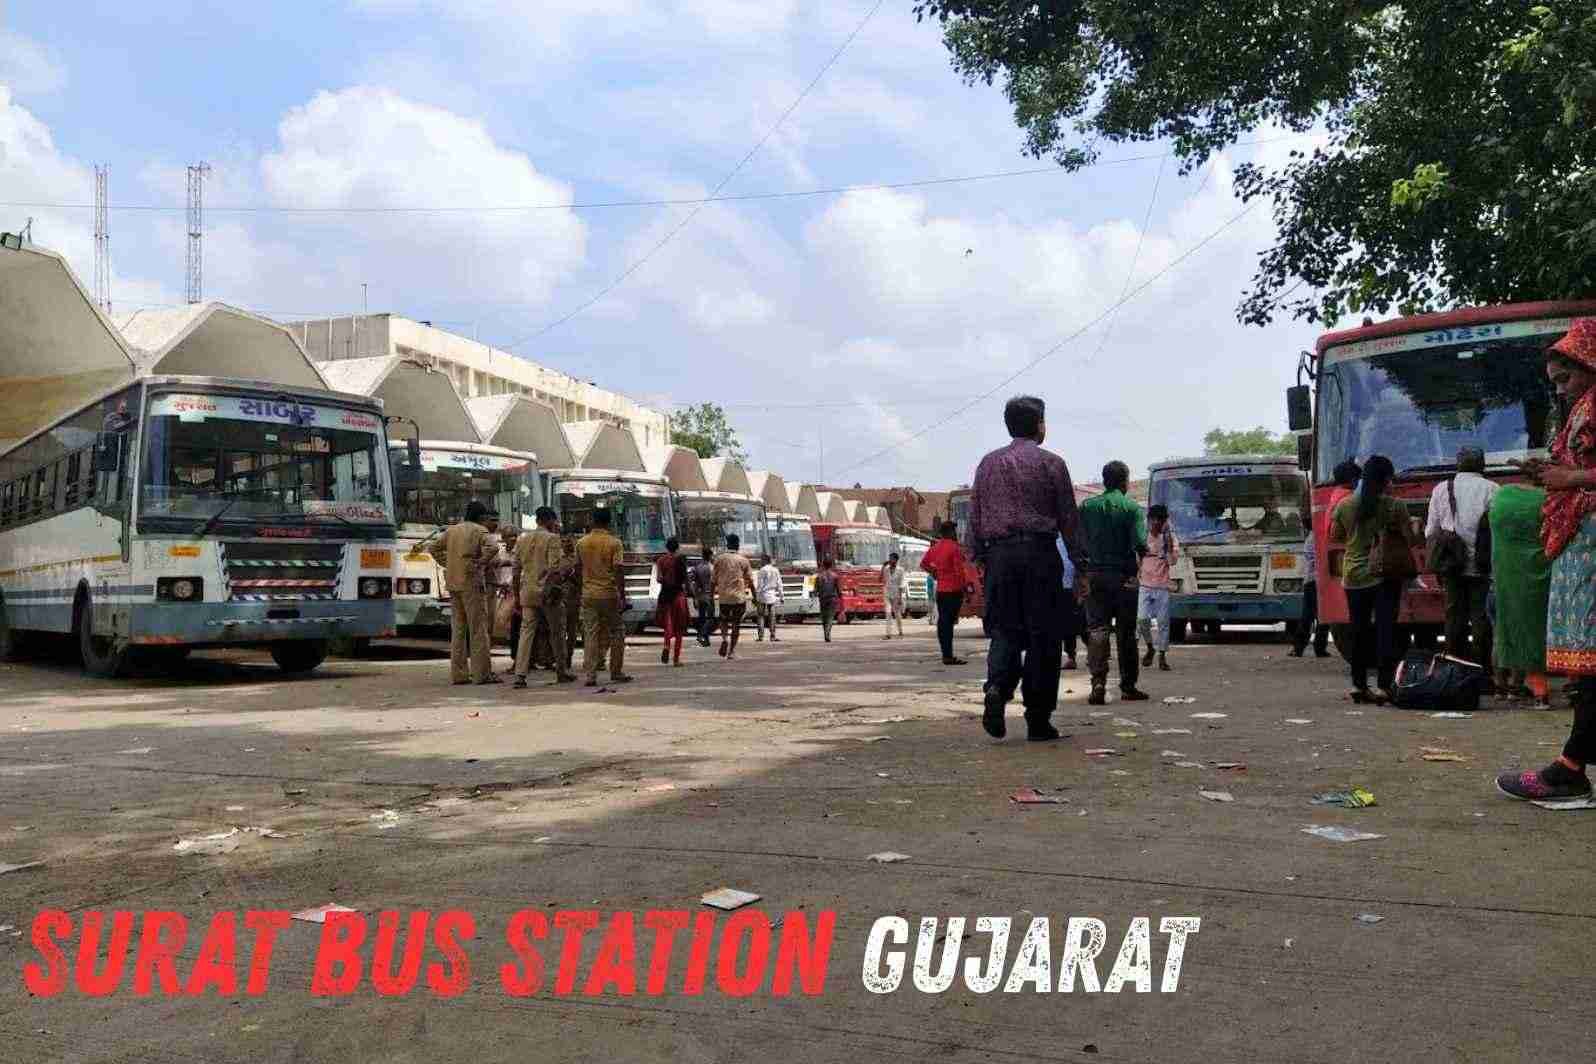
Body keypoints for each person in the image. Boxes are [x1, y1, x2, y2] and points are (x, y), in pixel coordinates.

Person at [1498, 319, 1596, 802]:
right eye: (1554, 382)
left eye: (1566, 378)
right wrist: (1553, 473)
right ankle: (1569, 767)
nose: (1560, 389)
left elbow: (1581, 475)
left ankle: (1569, 770)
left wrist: (1570, 479)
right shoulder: (1581, 410)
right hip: (1579, 544)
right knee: (1587, 669)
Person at [969, 395, 1090, 741]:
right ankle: (1038, 720)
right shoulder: (1052, 463)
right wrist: (1081, 566)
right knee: (1044, 638)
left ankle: (997, 688)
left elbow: (976, 516)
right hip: (1039, 555)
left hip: (1000, 558)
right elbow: (1068, 519)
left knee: (1004, 632)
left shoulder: (988, 464)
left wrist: (981, 558)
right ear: (1039, 425)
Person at [1329, 454, 1416, 704]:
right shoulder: (1394, 506)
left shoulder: (1345, 505)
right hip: (1384, 573)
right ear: (1387, 480)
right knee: (1385, 630)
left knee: (1359, 630)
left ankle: (1358, 685)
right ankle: (1383, 686)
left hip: (1353, 574)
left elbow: (1336, 536)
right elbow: (1411, 540)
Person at [1080, 461, 1148, 704]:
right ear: (1124, 482)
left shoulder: (1087, 507)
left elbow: (1077, 541)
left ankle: (1098, 683)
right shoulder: (1132, 508)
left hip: (1095, 576)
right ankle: (1128, 687)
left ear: (1104, 480)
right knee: (1126, 633)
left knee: (1097, 629)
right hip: (1124, 579)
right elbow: (1140, 543)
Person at [1427, 446, 1500, 670]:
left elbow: (1431, 531)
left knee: (1453, 614)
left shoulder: (1442, 488)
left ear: (1458, 464)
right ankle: (1481, 669)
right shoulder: (1493, 489)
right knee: (1481, 617)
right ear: (1482, 464)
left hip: (1451, 565)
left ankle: (1453, 667)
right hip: (1482, 563)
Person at [1487, 483, 1552, 708]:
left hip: (1499, 582)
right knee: (1532, 637)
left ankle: (1499, 687)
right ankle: (1527, 690)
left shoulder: (1500, 501)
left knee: (1501, 634)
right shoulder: (1545, 503)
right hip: (1535, 586)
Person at [433, 500, 499, 685]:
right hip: (472, 583)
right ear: (481, 517)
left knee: (458, 630)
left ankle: (459, 674)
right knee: (478, 629)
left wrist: (448, 563)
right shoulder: (479, 530)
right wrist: (481, 562)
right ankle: (481, 674)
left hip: (453, 582)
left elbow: (433, 548)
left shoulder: (452, 530)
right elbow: (493, 547)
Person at [512, 508, 574, 687]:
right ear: (549, 520)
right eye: (555, 521)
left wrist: (516, 596)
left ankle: (520, 675)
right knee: (557, 631)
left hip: (527, 592)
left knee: (526, 632)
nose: (556, 525)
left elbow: (516, 571)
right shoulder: (552, 539)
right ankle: (561, 671)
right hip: (547, 592)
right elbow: (554, 568)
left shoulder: (522, 540)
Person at [576, 508, 632, 686]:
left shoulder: (582, 543)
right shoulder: (614, 543)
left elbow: (577, 569)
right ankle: (616, 671)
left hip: (588, 594)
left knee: (590, 633)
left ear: (593, 521)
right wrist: (622, 595)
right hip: (609, 593)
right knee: (617, 631)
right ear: (609, 522)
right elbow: (618, 570)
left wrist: (581, 589)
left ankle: (590, 675)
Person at [921, 521, 972, 665]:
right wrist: (966, 590)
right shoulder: (954, 548)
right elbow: (959, 571)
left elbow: (923, 564)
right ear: (950, 532)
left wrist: (934, 573)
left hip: (941, 591)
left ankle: (946, 654)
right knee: (948, 624)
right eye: (954, 531)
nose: (956, 534)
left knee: (943, 623)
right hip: (954, 591)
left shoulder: (935, 547)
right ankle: (948, 656)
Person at [1137, 503, 1178, 673]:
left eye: (1158, 521)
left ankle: (1162, 655)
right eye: (1152, 520)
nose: (1155, 524)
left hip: (1162, 586)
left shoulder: (1169, 539)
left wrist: (1168, 545)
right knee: (1141, 620)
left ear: (1163, 522)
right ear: (1148, 520)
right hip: (1144, 585)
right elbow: (1137, 560)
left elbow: (1172, 561)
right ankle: (1150, 647)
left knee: (1163, 622)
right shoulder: (1142, 537)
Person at [712, 534, 756, 659]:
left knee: (723, 620)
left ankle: (724, 638)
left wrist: (711, 596)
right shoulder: (743, 560)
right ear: (738, 545)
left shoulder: (719, 559)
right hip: (738, 597)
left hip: (724, 597)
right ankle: (731, 652)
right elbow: (750, 581)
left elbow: (713, 581)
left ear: (727, 544)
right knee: (736, 624)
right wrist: (755, 596)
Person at [1289, 527, 1331, 658]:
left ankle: (1299, 648)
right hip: (1319, 580)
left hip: (1311, 580)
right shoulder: (1320, 536)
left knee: (1308, 615)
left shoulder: (1312, 537)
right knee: (1321, 616)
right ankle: (1319, 648)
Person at [655, 537, 690, 666]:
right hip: (678, 595)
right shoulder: (680, 559)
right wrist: (691, 593)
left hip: (665, 594)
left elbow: (659, 579)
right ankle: (676, 659)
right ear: (677, 547)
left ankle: (666, 645)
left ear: (667, 547)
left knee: (668, 625)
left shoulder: (660, 560)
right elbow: (685, 579)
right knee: (679, 628)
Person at [1057, 534, 1083, 670]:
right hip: (1053, 583)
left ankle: (1071, 656)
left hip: (1069, 585)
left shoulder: (1070, 534)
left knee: (1071, 623)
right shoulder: (1047, 534)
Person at [498, 525, 521, 674]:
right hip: (503, 594)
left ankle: (518, 661)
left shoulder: (520, 552)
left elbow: (520, 572)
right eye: (509, 536)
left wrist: (508, 583)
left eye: (514, 536)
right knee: (506, 627)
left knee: (516, 628)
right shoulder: (500, 553)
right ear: (504, 538)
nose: (513, 539)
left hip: (516, 593)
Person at [688, 547, 716, 647]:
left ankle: (706, 640)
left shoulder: (697, 567)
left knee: (702, 618)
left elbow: (693, 584)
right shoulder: (712, 568)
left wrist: (695, 597)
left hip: (700, 596)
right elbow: (715, 583)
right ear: (710, 556)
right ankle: (702, 634)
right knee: (711, 618)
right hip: (709, 595)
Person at [754, 554, 784, 642]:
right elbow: (779, 584)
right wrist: (781, 596)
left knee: (760, 616)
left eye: (761, 560)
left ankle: (761, 636)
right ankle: (773, 635)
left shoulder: (762, 570)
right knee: (772, 616)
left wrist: (756, 596)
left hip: (762, 595)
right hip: (772, 595)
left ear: (764, 561)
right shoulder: (775, 570)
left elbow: (760, 585)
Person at [880, 553, 907, 639]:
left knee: (897, 614)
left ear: (896, 560)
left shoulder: (901, 570)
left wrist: (900, 598)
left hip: (896, 595)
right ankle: (888, 634)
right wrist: (883, 567)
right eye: (890, 559)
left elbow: (902, 583)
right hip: (887, 594)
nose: (890, 560)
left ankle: (900, 631)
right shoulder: (886, 569)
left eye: (892, 559)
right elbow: (880, 579)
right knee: (888, 613)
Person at [816, 558, 842, 642]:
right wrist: (840, 598)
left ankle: (825, 633)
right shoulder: (835, 576)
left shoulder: (819, 576)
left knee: (824, 617)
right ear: (831, 565)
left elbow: (816, 589)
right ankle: (828, 632)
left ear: (823, 565)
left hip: (823, 598)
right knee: (830, 617)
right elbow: (839, 590)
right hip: (832, 599)